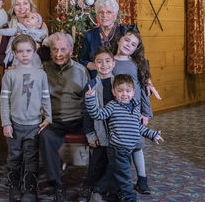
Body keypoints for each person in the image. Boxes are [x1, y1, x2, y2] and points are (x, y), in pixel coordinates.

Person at [85, 74, 164, 202]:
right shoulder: (112, 105)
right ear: (113, 92)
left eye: (128, 91)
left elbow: (138, 127)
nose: (124, 94)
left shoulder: (135, 106)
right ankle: (129, 198)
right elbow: (97, 114)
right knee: (125, 175)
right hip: (117, 148)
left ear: (133, 92)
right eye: (120, 91)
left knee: (113, 171)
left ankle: (97, 191)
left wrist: (152, 134)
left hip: (128, 149)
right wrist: (90, 98)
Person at [0, 34, 52, 202]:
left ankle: (30, 189)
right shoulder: (9, 75)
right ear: (14, 53)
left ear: (34, 51)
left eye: (28, 51)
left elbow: (46, 98)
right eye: (20, 51)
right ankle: (14, 187)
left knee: (31, 158)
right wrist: (6, 123)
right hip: (15, 125)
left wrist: (48, 117)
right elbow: (4, 100)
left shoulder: (41, 74)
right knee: (14, 156)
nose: (25, 54)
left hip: (34, 125)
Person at [39, 32, 89, 202]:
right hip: (55, 121)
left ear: (71, 49)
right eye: (54, 49)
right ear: (50, 51)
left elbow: (88, 101)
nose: (59, 54)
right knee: (46, 136)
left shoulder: (81, 71)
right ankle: (55, 183)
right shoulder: (42, 69)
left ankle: (95, 183)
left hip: (77, 119)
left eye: (63, 49)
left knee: (100, 133)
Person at [78, 0, 160, 99]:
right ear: (97, 15)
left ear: (115, 15)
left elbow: (139, 57)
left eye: (108, 12)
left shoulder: (124, 33)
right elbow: (81, 59)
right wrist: (92, 65)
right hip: (99, 83)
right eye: (101, 12)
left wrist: (148, 81)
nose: (104, 16)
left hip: (122, 85)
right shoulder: (90, 35)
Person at [112, 30, 154, 194]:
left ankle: (142, 179)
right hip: (115, 112)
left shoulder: (136, 64)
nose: (128, 45)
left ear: (136, 48)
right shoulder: (110, 61)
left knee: (137, 145)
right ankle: (120, 180)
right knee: (118, 146)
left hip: (134, 112)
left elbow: (144, 90)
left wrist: (146, 112)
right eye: (127, 40)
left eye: (133, 44)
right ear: (119, 40)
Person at [79, 46, 116, 202]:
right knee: (96, 164)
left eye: (107, 61)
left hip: (116, 134)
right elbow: (87, 114)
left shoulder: (119, 83)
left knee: (115, 164)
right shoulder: (91, 85)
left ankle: (107, 189)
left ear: (113, 63)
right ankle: (89, 187)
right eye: (99, 62)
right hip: (99, 133)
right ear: (94, 64)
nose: (104, 65)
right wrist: (90, 134)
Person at [0, 0, 48, 68]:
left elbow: (47, 54)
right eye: (17, 4)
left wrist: (37, 46)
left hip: (36, 69)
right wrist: (10, 66)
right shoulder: (7, 27)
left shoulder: (40, 25)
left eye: (25, 3)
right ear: (13, 8)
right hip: (14, 71)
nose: (22, 7)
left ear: (30, 5)